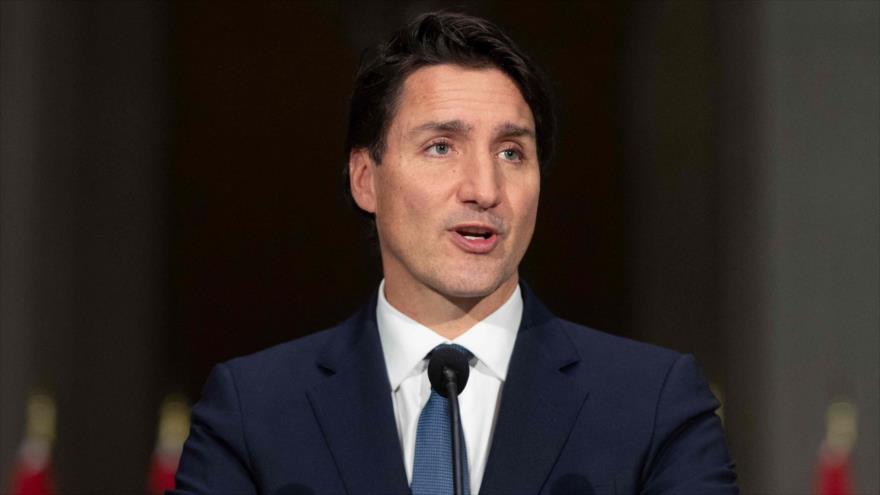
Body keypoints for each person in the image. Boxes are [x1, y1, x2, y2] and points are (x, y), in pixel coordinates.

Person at [171, 11, 738, 495]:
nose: (484, 189)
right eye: (441, 147)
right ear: (366, 178)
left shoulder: (655, 406)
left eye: (512, 152)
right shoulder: (253, 413)